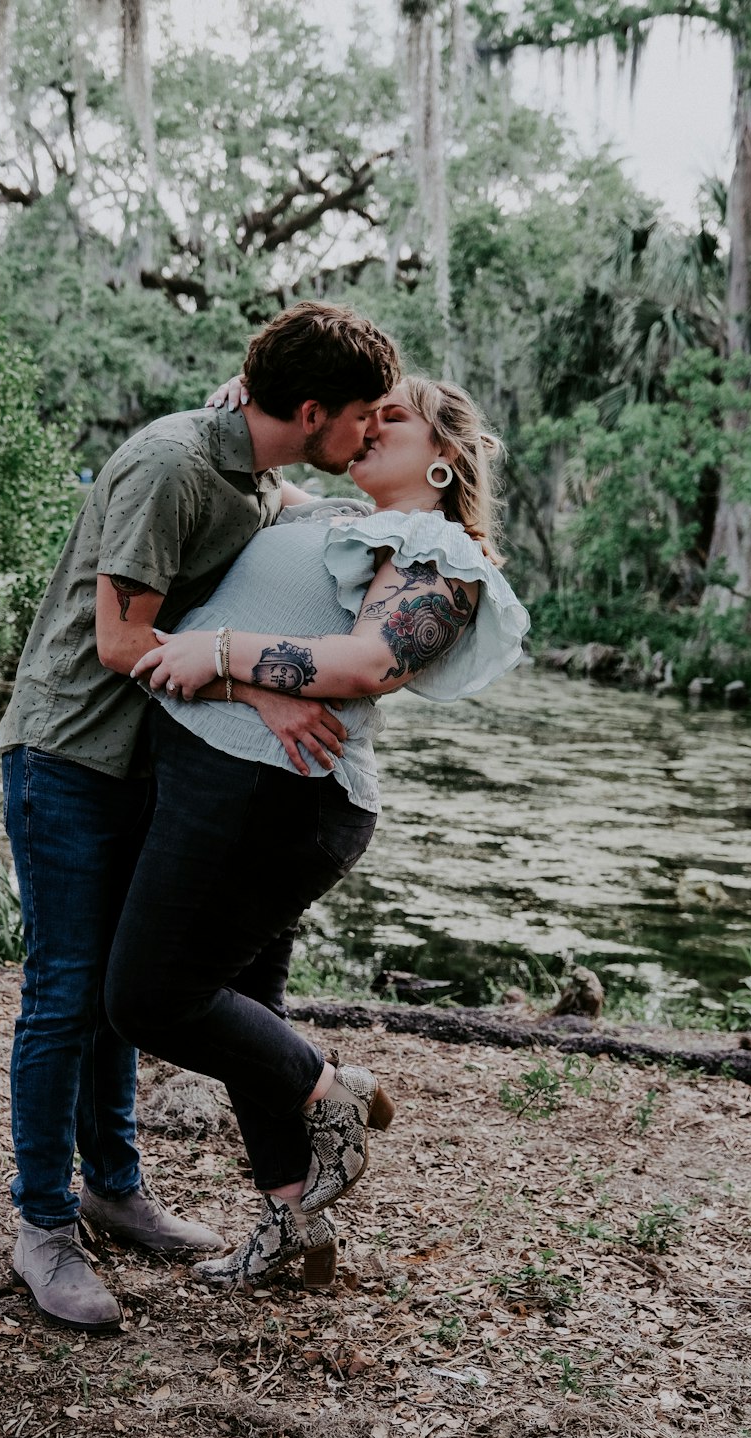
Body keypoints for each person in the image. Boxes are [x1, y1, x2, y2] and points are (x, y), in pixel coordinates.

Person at [0, 302, 402, 1332]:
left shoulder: (258, 468)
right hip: (71, 753)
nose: (370, 432)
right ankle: (42, 1224)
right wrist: (259, 691)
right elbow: (124, 642)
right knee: (67, 993)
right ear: (311, 411)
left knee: (122, 985)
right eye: (362, 417)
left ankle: (113, 1187)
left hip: (149, 762)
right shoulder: (169, 465)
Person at [105, 374, 530, 1292]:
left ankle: (332, 1089)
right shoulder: (330, 511)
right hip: (224, 776)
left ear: (447, 460)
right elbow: (266, 452)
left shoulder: (440, 550)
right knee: (246, 1001)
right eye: (365, 411)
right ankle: (293, 1225)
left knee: (146, 997)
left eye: (395, 416)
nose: (369, 424)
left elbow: (371, 662)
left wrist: (220, 653)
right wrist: (263, 389)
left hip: (274, 795)